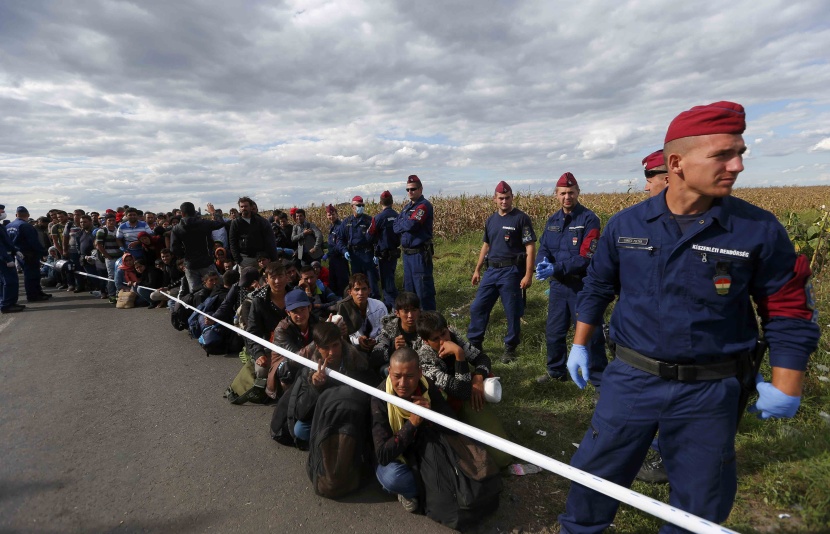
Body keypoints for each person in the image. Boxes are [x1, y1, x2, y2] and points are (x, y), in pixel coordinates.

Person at [558, 101, 820, 534]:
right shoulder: (627, 225)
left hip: (710, 390)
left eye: (740, 153)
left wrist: (787, 383)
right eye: (722, 154)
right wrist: (580, 344)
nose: (736, 165)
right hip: (632, 379)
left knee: (698, 509)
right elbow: (598, 287)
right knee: (592, 481)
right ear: (676, 163)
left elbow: (788, 307)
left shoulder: (758, 230)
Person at [534, 173, 607, 386]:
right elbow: (545, 248)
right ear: (556, 195)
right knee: (554, 331)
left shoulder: (589, 219)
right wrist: (542, 264)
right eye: (563, 193)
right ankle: (556, 372)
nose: (567, 197)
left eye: (571, 192)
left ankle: (598, 381)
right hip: (558, 286)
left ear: (578, 193)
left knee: (591, 335)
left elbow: (586, 257)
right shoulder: (553, 221)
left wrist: (556, 267)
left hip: (581, 286)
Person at [416, 311, 512, 468]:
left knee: (502, 457)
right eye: (435, 339)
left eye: (444, 333)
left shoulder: (454, 336)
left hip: (463, 391)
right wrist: (459, 355)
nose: (443, 341)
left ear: (447, 328)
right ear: (426, 342)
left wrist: (478, 377)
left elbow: (482, 358)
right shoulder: (424, 358)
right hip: (440, 406)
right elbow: (461, 392)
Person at [371, 347, 457, 513]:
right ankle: (426, 490)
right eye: (397, 376)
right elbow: (382, 455)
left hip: (423, 453)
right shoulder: (379, 398)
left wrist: (431, 413)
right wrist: (412, 424)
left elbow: (452, 424)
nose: (402, 384)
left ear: (419, 373)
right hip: (398, 460)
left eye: (409, 377)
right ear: (389, 372)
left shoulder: (426, 386)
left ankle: (434, 488)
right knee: (392, 478)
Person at [467, 181, 536, 364]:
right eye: (501, 198)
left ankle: (510, 348)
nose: (504, 201)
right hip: (492, 270)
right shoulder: (491, 220)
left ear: (512, 197)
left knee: (512, 311)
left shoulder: (521, 218)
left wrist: (528, 274)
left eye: (507, 198)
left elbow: (530, 246)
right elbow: (486, 245)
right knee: (478, 307)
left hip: (511, 271)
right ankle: (475, 344)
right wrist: (477, 269)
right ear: (495, 199)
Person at [393, 175, 436, 310]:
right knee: (409, 291)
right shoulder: (406, 208)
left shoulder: (423, 206)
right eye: (408, 190)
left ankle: (429, 320)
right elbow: (395, 226)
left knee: (423, 291)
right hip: (407, 255)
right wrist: (405, 223)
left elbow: (413, 225)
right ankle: (413, 322)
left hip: (419, 255)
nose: (410, 192)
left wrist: (404, 224)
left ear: (421, 189)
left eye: (413, 189)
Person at [246, 262, 289, 398]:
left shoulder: (296, 295)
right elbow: (252, 331)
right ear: (266, 280)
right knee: (262, 370)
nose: (277, 281)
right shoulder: (258, 302)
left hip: (296, 345)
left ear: (287, 277)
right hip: (270, 348)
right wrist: (258, 353)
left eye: (281, 276)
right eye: (273, 277)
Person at [170, 201, 226, 292]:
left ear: (182, 213)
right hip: (207, 261)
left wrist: (184, 257)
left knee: (195, 292)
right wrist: (213, 212)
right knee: (217, 287)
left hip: (190, 264)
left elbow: (174, 249)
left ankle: (198, 305)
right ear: (194, 212)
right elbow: (220, 223)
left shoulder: (176, 228)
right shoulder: (204, 223)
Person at [370, 292, 422, 376]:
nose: (410, 315)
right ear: (397, 313)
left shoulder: (426, 326)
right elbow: (375, 356)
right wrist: (393, 350)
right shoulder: (389, 328)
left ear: (419, 311)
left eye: (414, 310)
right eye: (406, 311)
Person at [338, 196, 381, 299]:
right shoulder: (347, 222)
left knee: (371, 281)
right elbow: (339, 239)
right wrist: (344, 251)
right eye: (358, 205)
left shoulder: (369, 220)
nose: (360, 207)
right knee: (357, 283)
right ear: (352, 206)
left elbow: (376, 239)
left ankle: (375, 303)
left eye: (362, 205)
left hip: (367, 254)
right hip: (354, 255)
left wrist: (376, 254)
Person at [7, 206, 51, 302]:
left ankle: (38, 292)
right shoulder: (25, 226)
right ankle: (33, 295)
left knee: (32, 275)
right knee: (32, 275)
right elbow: (33, 242)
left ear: (16, 215)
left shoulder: (9, 226)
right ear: (28, 215)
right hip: (29, 254)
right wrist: (43, 252)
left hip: (19, 254)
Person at [334, 273, 387, 353]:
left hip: (378, 344)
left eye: (364, 289)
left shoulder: (379, 306)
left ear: (369, 290)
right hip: (355, 348)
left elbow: (386, 330)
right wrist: (358, 340)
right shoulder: (343, 309)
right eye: (356, 289)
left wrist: (375, 340)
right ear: (350, 292)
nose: (360, 293)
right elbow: (343, 336)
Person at [228, 196, 278, 268]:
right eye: (241, 206)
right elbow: (232, 242)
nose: (243, 208)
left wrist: (273, 259)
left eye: (246, 206)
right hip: (245, 259)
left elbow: (269, 241)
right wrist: (238, 260)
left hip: (261, 259)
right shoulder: (236, 223)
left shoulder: (261, 221)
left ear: (251, 207)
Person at [373, 191, 400, 310]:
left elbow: (370, 235)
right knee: (390, 277)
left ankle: (393, 307)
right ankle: (389, 305)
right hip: (394, 253)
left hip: (383, 255)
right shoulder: (398, 216)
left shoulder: (378, 218)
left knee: (387, 282)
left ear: (380, 202)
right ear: (392, 201)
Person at [0, 204, 24, 314]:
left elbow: (7, 242)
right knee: (10, 282)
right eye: (1, 211)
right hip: (3, 259)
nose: (3, 213)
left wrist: (15, 250)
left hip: (7, 256)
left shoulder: (1, 226)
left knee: (5, 282)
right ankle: (6, 305)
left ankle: (9, 302)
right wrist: (6, 259)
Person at [96, 214, 123, 302]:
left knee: (120, 276)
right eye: (109, 220)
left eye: (113, 220)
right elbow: (99, 245)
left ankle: (119, 293)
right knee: (111, 276)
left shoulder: (118, 230)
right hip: (110, 258)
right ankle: (111, 295)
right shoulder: (102, 231)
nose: (111, 222)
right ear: (106, 221)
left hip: (119, 257)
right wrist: (108, 257)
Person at [324, 204, 349, 298]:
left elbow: (339, 245)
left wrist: (328, 253)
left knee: (341, 282)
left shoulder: (340, 227)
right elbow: (331, 243)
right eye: (329, 215)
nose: (331, 217)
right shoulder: (332, 226)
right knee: (333, 281)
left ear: (337, 214)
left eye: (333, 214)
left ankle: (344, 299)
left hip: (340, 259)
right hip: (333, 259)